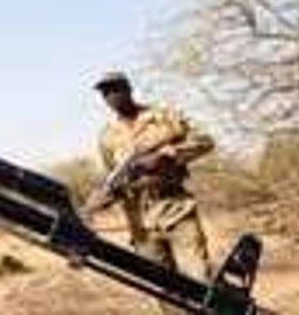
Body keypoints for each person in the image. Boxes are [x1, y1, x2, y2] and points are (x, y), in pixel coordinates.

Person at [92, 71, 214, 295]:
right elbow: (113, 176)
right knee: (164, 292)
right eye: (106, 94)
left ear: (129, 89)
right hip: (141, 224)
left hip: (175, 209)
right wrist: (107, 197)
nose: (112, 97)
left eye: (116, 90)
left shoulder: (162, 116)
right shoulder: (107, 136)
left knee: (201, 283)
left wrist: (168, 155)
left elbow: (205, 141)